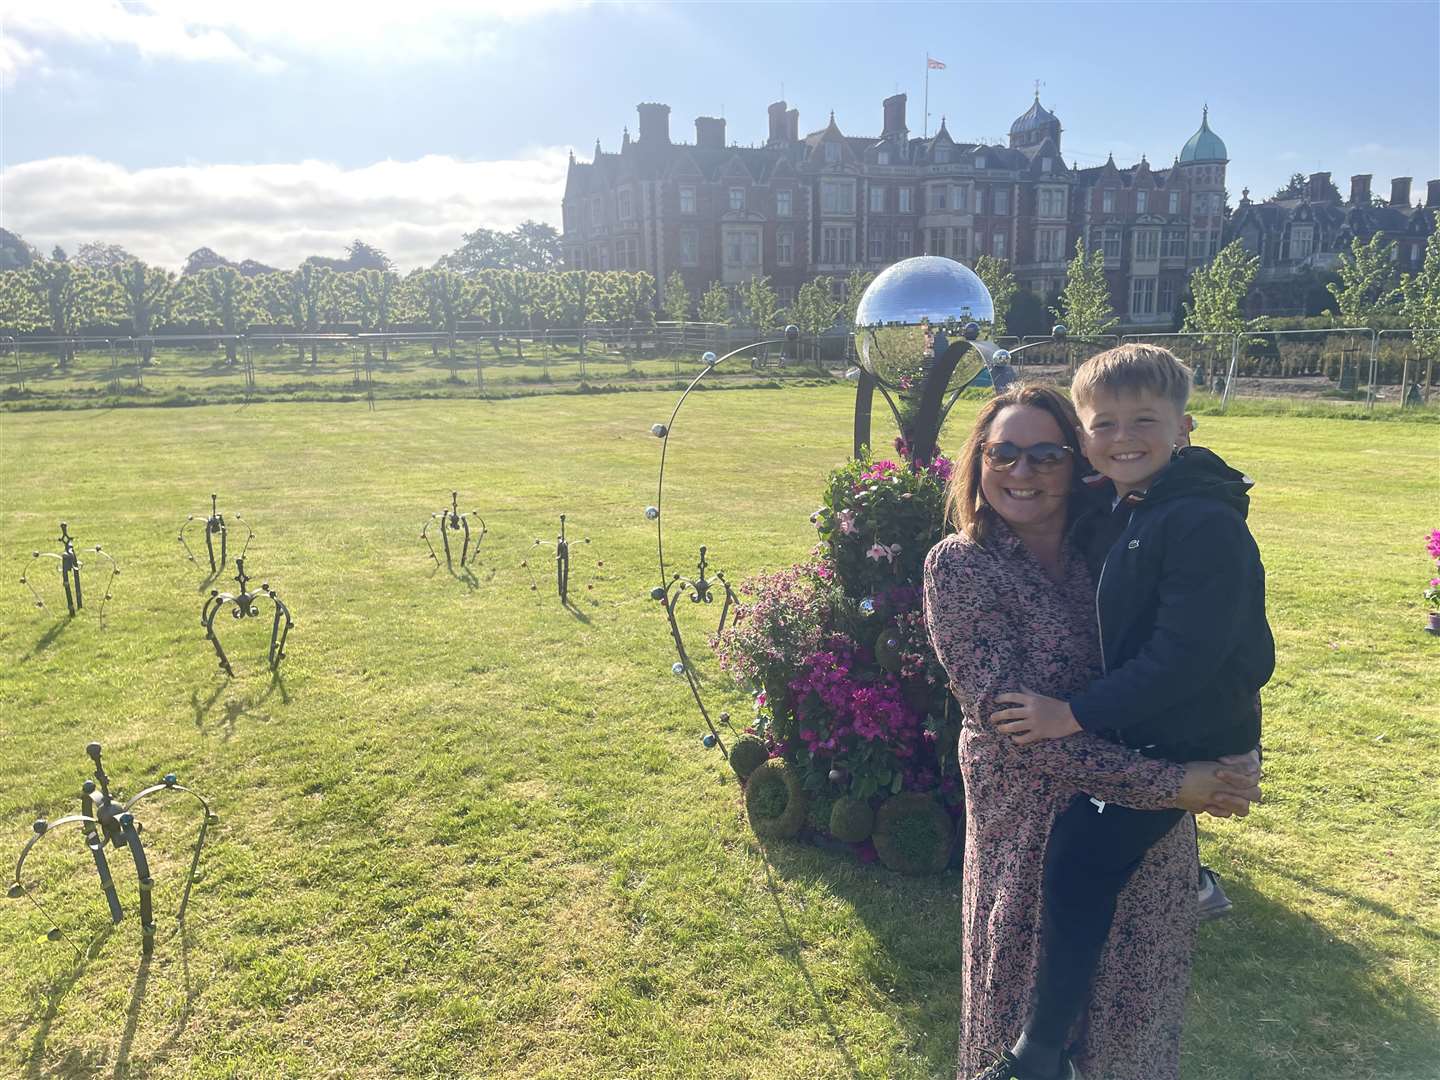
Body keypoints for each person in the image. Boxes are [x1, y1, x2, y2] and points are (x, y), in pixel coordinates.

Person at [922, 383, 1262, 1080]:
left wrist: (1234, 749)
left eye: (1046, 454)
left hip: (1144, 837)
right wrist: (1176, 784)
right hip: (1032, 832)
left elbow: (1200, 649)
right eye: (1004, 453)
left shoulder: (1117, 546)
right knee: (1021, 1026)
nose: (1022, 471)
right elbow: (1018, 726)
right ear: (978, 462)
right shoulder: (960, 566)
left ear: (1078, 464)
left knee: (1132, 1027)